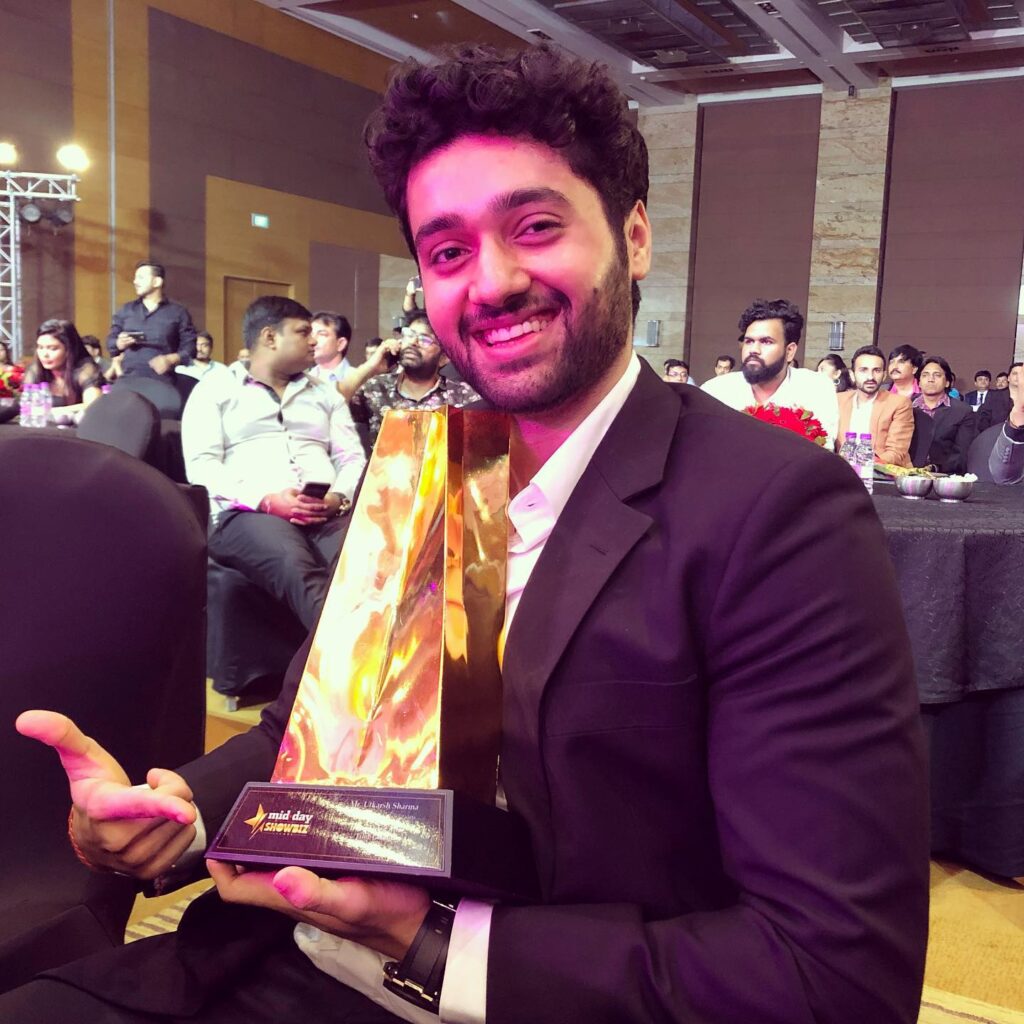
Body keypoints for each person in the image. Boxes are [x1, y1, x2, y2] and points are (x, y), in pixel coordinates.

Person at [8, 44, 928, 1024]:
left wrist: (430, 945)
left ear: (635, 235)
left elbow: (837, 977)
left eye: (535, 226)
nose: (489, 282)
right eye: (446, 252)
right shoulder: (434, 469)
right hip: (270, 967)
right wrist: (181, 817)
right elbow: (308, 744)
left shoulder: (775, 512)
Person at [181, 295, 365, 631]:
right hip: (244, 514)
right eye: (303, 332)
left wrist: (337, 498)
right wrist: (265, 500)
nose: (314, 341)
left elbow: (352, 458)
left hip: (324, 512)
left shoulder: (325, 394)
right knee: (294, 562)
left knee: (365, 559)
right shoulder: (215, 389)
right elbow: (203, 466)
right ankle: (352, 665)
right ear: (270, 337)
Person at [702, 298, 840, 447]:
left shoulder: (816, 388)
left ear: (789, 351)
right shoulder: (715, 391)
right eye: (749, 341)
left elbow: (821, 452)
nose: (754, 350)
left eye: (766, 342)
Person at [349, 309, 478, 449]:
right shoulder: (375, 388)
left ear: (443, 358)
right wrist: (370, 368)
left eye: (425, 339)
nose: (413, 342)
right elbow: (329, 405)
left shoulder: (462, 396)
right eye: (409, 334)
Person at [106, 260, 198, 417]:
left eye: (141, 277)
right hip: (129, 380)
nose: (135, 282)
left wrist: (170, 359)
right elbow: (110, 343)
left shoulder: (178, 312)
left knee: (159, 421)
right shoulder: (126, 310)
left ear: (157, 281)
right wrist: (119, 343)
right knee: (114, 416)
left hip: (161, 382)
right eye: (135, 278)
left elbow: (190, 349)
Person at [837, 345, 913, 466]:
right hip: (842, 472)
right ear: (852, 374)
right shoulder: (838, 400)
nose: (870, 377)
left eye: (876, 370)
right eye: (863, 370)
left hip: (883, 475)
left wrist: (862, 465)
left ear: (884, 375)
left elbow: (895, 453)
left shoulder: (899, 404)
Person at [909, 354, 976, 474]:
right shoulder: (905, 407)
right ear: (918, 382)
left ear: (947, 382)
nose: (930, 379)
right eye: (925, 375)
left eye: (937, 375)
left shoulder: (963, 412)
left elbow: (961, 453)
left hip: (945, 477)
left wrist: (936, 469)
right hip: (907, 473)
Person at [23, 319, 104, 411]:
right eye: (40, 347)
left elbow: (93, 405)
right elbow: (27, 405)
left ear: (69, 350)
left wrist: (49, 412)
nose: (44, 354)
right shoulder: (36, 369)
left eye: (52, 348)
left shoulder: (85, 369)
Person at [989, 361, 1024, 484]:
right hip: (994, 446)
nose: (1019, 377)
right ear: (1008, 377)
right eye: (1015, 373)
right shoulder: (994, 397)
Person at [309, 311, 353, 385]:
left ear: (341, 344)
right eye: (310, 334)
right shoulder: (302, 381)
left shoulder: (360, 380)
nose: (313, 340)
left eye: (322, 334)